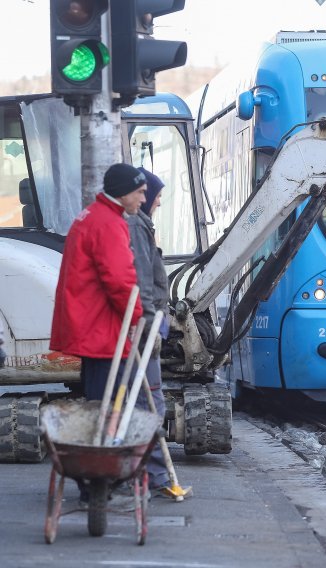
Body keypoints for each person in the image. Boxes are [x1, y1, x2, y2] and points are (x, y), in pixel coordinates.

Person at [50, 163, 146, 504]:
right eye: (139, 191)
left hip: (90, 327)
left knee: (95, 402)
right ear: (123, 193)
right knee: (108, 406)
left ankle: (90, 478)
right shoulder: (109, 224)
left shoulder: (90, 216)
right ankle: (97, 480)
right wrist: (138, 316)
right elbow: (120, 280)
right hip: (104, 331)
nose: (143, 197)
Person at [127, 167, 171, 493]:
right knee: (150, 403)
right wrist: (150, 325)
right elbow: (143, 281)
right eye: (151, 196)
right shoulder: (137, 227)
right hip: (146, 326)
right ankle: (153, 477)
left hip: (147, 322)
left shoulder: (141, 225)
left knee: (147, 401)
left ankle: (149, 475)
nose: (154, 202)